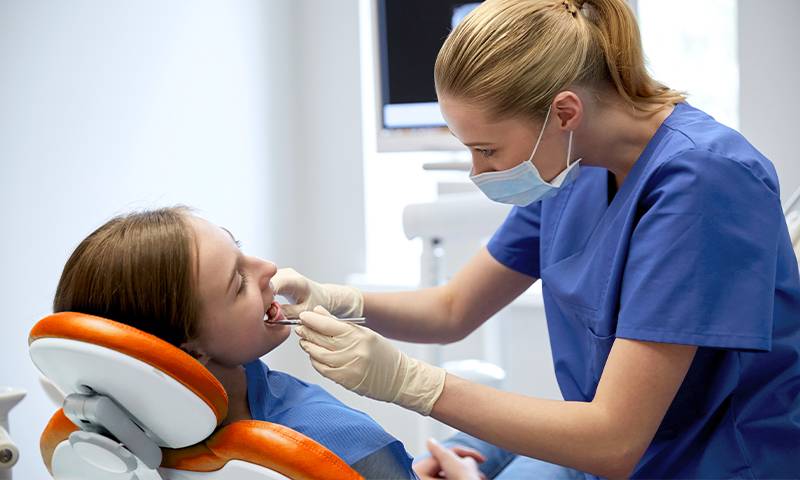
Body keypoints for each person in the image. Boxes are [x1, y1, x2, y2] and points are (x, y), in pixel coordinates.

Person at [276, 0, 800, 477]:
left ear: (565, 112)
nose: (476, 170)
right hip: (612, 452)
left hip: (711, 462)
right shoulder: (570, 167)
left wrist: (410, 385)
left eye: (486, 149)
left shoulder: (704, 181)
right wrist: (333, 300)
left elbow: (615, 439)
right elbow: (452, 309)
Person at [52, 207, 485, 480]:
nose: (269, 268)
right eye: (237, 283)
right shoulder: (325, 439)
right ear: (191, 350)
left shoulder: (127, 440)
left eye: (240, 250)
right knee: (540, 456)